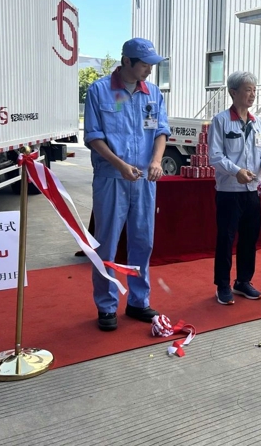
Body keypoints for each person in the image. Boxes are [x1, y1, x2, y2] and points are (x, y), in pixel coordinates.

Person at [84, 38, 170, 331]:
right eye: (145, 64)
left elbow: (160, 131)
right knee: (106, 243)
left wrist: (156, 162)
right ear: (127, 62)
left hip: (145, 180)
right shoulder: (99, 91)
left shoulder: (153, 93)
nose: (149, 69)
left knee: (142, 241)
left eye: (151, 64)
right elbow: (94, 137)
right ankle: (106, 306)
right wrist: (120, 165)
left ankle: (137, 301)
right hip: (111, 179)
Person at [208, 71, 261, 305]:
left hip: (253, 191)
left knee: (249, 238)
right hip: (229, 191)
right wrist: (236, 171)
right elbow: (214, 156)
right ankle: (223, 285)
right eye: (248, 90)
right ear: (233, 92)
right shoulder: (221, 121)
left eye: (255, 90)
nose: (253, 94)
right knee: (226, 239)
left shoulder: (258, 124)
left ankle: (243, 281)